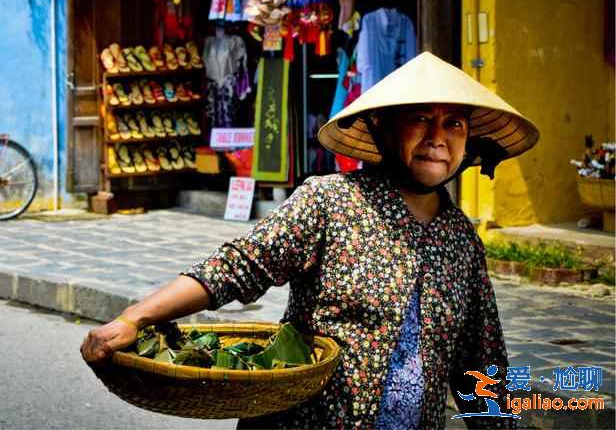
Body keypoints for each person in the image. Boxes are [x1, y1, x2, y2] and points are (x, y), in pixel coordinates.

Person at [81, 52, 540, 429]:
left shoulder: (461, 238)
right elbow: (238, 267)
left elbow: (481, 358)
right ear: (383, 128)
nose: (437, 138)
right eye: (420, 119)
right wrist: (135, 317)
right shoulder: (332, 201)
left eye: (454, 124)